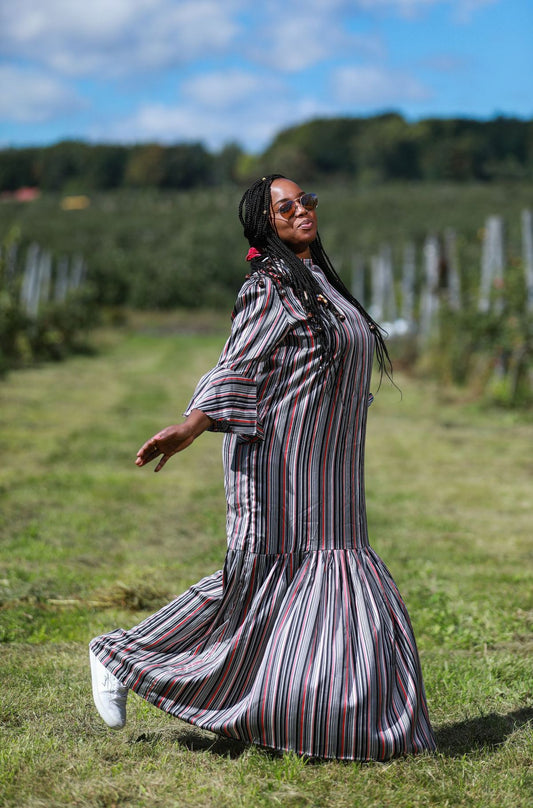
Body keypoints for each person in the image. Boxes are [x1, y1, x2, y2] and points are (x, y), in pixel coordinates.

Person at [89, 175, 436, 761]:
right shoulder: (269, 287)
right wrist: (192, 425)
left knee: (326, 591)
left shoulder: (320, 282)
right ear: (265, 224)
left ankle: (339, 725)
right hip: (279, 463)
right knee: (253, 588)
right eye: (286, 206)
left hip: (331, 466)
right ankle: (120, 655)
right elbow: (237, 366)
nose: (303, 209)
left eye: (307, 200)